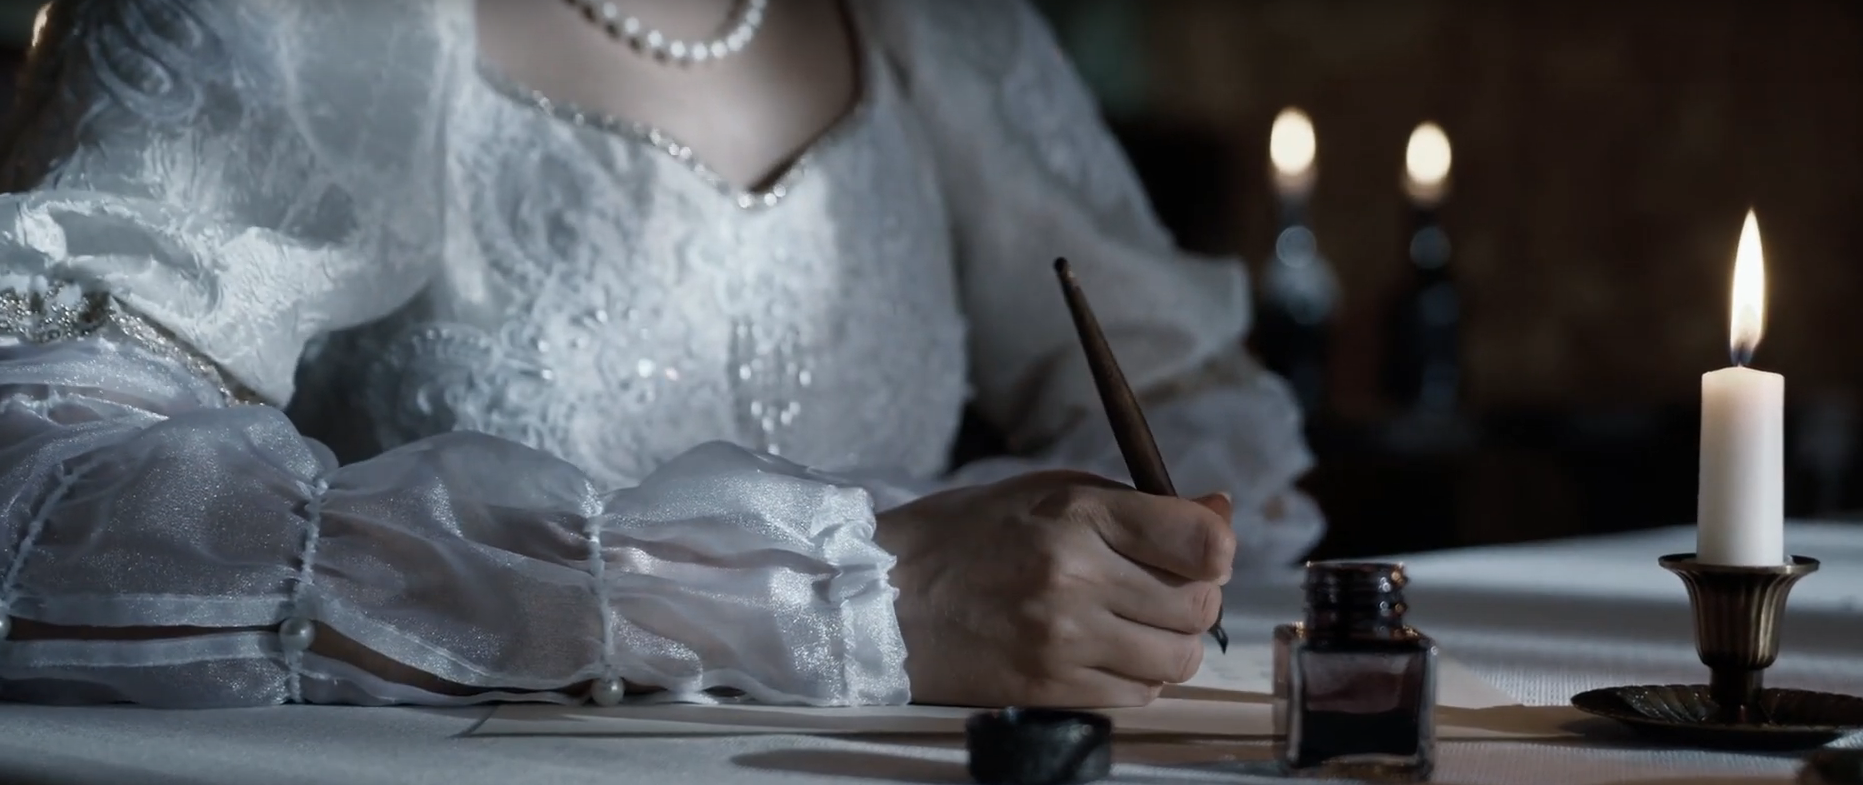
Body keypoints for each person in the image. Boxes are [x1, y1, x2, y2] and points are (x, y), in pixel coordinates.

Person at [0, 0, 1322, 709]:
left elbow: (1192, 410)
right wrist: (862, 589)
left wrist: (1083, 561)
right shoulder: (292, 22)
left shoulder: (941, 29)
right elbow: (41, 496)